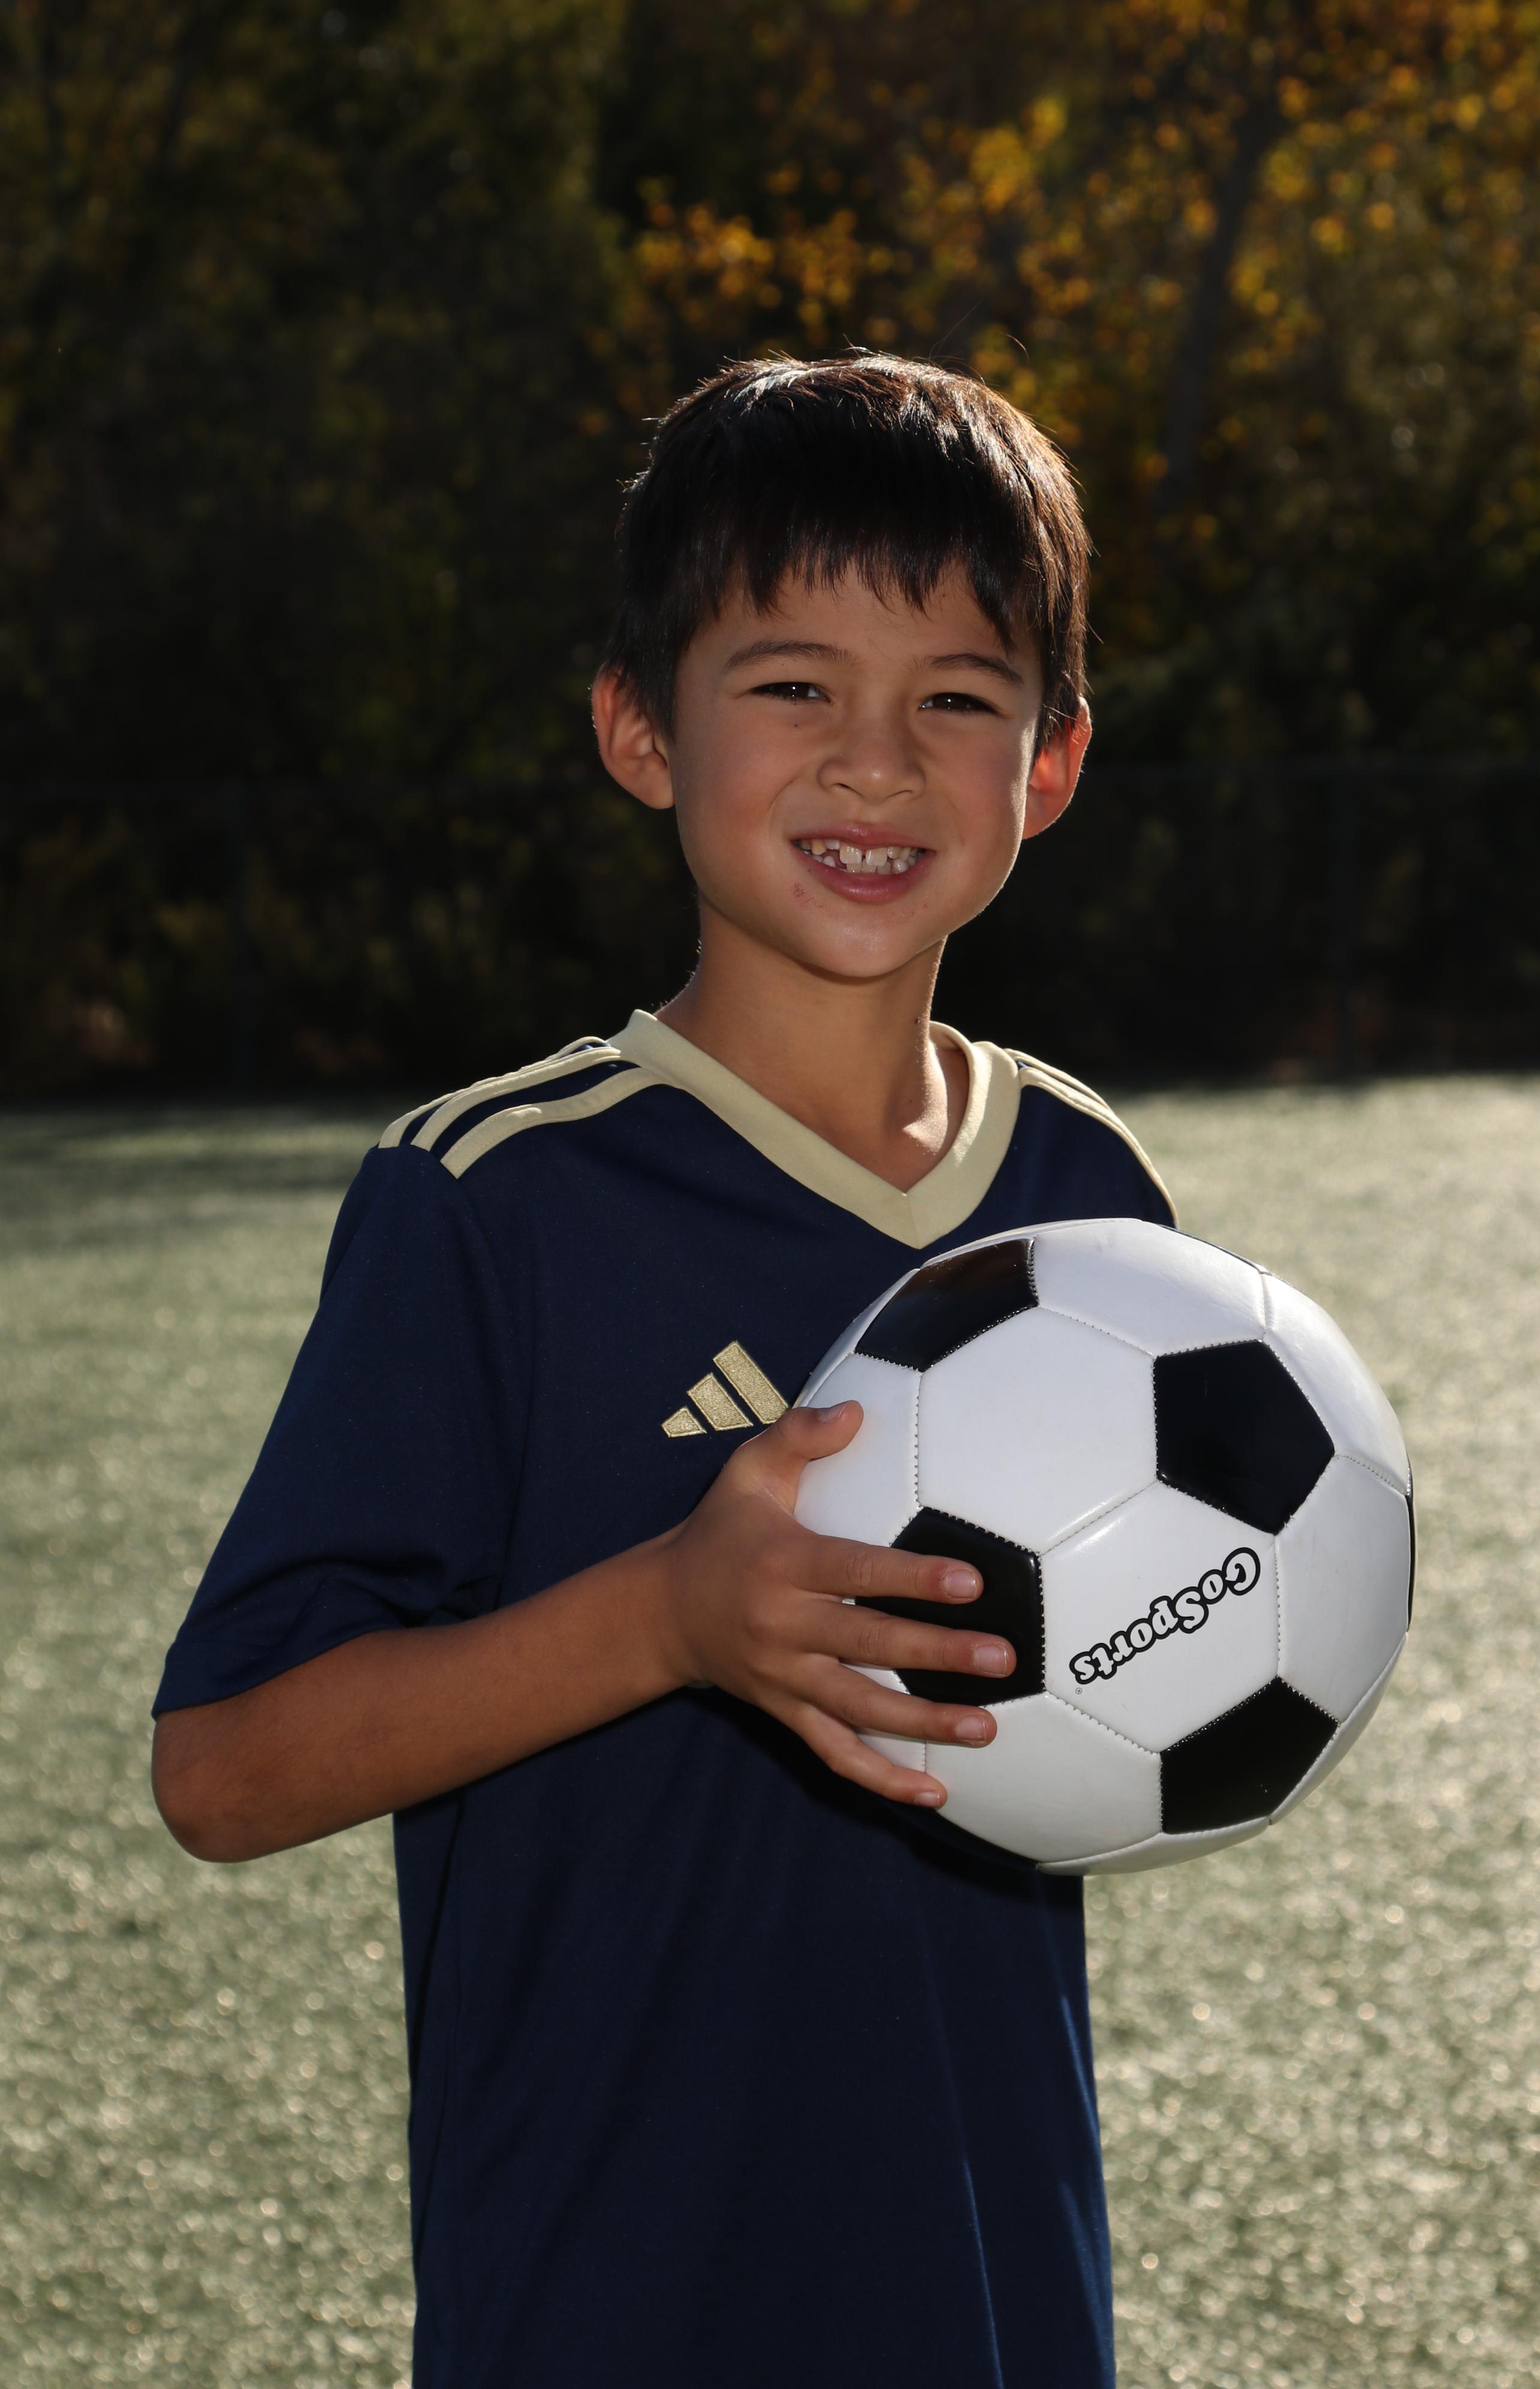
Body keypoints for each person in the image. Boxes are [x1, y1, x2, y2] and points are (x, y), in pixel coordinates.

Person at [152, 353, 1176, 2389]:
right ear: (640, 728)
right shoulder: (497, 1199)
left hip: (991, 2291)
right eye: (793, 684)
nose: (874, 762)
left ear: (1050, 763)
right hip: (611, 2294)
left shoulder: (1088, 1198)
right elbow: (226, 1770)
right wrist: (671, 1620)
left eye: (957, 699)